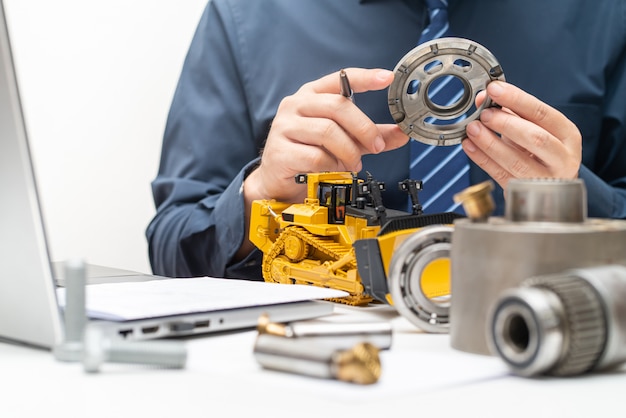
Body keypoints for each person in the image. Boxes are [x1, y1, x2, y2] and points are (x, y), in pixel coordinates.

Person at [146, 0, 626, 279]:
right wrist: (261, 196)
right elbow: (172, 247)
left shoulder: (606, 14)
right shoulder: (250, 15)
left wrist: (579, 203)